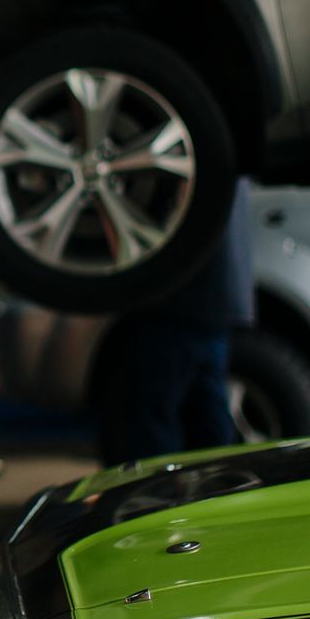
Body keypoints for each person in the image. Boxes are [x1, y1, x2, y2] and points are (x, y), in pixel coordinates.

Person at [100, 177, 253, 465]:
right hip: (218, 298)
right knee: (208, 421)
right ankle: (211, 497)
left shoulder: (191, 150)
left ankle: (151, 500)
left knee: (149, 427)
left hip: (173, 300)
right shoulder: (229, 146)